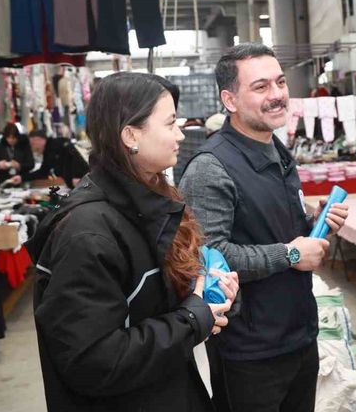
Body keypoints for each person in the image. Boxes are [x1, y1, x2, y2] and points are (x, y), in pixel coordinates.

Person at [28, 72, 239, 412]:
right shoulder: (88, 234)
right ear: (130, 135)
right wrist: (190, 321)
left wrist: (211, 296)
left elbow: (158, 301)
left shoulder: (152, 201)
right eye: (170, 123)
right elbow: (92, 360)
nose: (180, 134)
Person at [178, 43, 349, 412]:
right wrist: (290, 254)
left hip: (298, 336)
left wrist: (315, 226)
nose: (277, 95)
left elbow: (269, 229)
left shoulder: (278, 151)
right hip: (250, 350)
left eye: (280, 82)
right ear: (230, 99)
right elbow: (210, 257)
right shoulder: (211, 167)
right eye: (260, 87)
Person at [24, 129, 90, 188]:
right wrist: (22, 178)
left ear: (39, 140)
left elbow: (74, 154)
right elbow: (44, 171)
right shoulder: (50, 149)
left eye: (33, 144)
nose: (32, 148)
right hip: (76, 184)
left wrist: (76, 175)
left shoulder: (53, 146)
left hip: (80, 181)